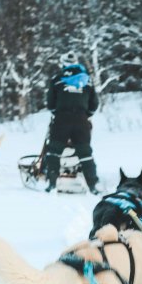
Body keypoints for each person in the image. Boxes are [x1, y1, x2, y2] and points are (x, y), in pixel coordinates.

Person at [42, 52, 100, 194]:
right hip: (81, 120)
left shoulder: (57, 79)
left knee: (54, 151)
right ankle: (92, 185)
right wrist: (85, 115)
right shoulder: (87, 80)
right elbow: (94, 104)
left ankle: (52, 183)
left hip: (61, 119)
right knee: (85, 153)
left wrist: (60, 112)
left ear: (63, 63)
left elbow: (50, 104)